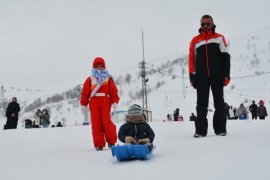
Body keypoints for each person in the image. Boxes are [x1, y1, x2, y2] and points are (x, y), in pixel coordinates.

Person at [188, 14, 231, 137]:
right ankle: (200, 131)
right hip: (201, 77)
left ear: (212, 24)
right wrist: (192, 76)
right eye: (203, 24)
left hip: (217, 75)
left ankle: (220, 129)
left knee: (219, 102)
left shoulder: (219, 38)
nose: (205, 26)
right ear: (200, 25)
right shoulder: (195, 41)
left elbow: (226, 58)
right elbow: (191, 59)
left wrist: (226, 74)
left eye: (207, 24)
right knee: (201, 104)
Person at [80, 57, 119, 151]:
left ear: (104, 67)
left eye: (101, 66)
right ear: (94, 67)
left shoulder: (108, 78)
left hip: (105, 101)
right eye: (97, 66)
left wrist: (114, 101)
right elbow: (85, 93)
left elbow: (113, 91)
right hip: (94, 101)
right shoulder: (90, 79)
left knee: (107, 121)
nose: (99, 68)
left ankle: (111, 141)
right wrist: (83, 104)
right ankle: (99, 144)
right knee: (96, 123)